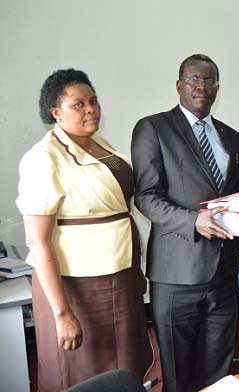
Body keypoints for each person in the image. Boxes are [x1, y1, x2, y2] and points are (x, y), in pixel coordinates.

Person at [16, 69, 152, 391]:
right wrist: (62, 314)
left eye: (93, 101)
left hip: (118, 278)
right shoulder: (43, 159)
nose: (90, 109)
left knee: (126, 366)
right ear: (56, 112)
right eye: (78, 104)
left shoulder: (97, 144)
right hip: (78, 288)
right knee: (86, 371)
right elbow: (38, 242)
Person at [131, 54, 239, 392]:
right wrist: (194, 221)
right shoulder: (153, 128)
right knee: (180, 379)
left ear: (217, 88)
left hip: (224, 275)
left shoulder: (230, 136)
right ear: (179, 84)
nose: (201, 86)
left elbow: (234, 198)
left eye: (209, 80)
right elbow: (146, 197)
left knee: (219, 377)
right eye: (194, 79)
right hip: (177, 274)